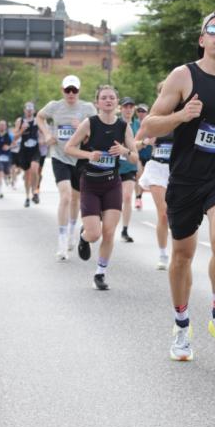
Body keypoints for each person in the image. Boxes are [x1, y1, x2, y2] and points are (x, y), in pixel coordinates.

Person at [139, 9, 215, 361]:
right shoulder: (183, 76)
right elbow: (149, 125)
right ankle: (181, 326)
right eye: (213, 29)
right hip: (186, 178)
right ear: (202, 39)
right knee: (182, 256)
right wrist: (181, 116)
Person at [65, 85, 138, 290]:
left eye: (112, 98)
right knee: (94, 234)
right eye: (104, 98)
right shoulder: (89, 123)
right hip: (90, 183)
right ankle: (84, 237)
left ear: (117, 103)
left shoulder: (124, 127)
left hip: (112, 183)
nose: (108, 100)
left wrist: (124, 151)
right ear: (97, 103)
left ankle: (100, 273)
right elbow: (69, 148)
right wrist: (89, 155)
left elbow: (134, 158)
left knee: (108, 232)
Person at [36, 75, 97, 261]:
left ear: (79, 91)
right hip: (59, 156)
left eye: (74, 90)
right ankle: (61, 242)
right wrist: (47, 134)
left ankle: (71, 231)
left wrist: (83, 128)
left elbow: (97, 131)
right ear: (62, 90)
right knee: (66, 196)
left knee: (76, 199)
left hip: (78, 158)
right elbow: (40, 117)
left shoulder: (87, 108)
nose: (71, 93)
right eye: (67, 90)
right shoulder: (54, 106)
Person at [136, 82, 173, 270]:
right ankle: (163, 254)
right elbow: (133, 144)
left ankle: (181, 252)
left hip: (179, 170)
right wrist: (146, 142)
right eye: (162, 93)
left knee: (180, 216)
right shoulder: (152, 119)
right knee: (164, 213)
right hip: (157, 168)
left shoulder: (183, 116)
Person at [118, 98, 138, 241]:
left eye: (131, 107)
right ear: (121, 108)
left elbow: (139, 146)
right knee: (112, 199)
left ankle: (125, 230)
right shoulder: (115, 123)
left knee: (127, 197)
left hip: (130, 166)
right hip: (114, 165)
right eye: (126, 107)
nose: (128, 109)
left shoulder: (138, 125)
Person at [13, 102, 41, 207]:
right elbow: (15, 137)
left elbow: (44, 131)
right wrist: (21, 130)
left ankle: (35, 192)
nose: (29, 111)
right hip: (24, 151)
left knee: (34, 169)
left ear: (34, 111)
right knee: (27, 175)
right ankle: (27, 197)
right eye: (27, 110)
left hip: (35, 150)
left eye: (31, 110)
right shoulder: (19, 121)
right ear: (24, 110)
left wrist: (44, 139)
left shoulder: (38, 120)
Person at [134, 104, 151, 208]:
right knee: (138, 175)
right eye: (139, 111)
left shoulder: (151, 123)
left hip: (149, 154)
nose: (141, 113)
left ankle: (140, 196)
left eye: (143, 111)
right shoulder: (135, 124)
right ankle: (138, 198)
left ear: (147, 112)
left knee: (144, 176)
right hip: (138, 153)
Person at [0, 120, 12, 198]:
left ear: (5, 126)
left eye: (3, 125)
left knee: (7, 173)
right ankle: (0, 191)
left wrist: (9, 147)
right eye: (0, 125)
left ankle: (7, 178)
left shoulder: (9, 135)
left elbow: (14, 144)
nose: (2, 126)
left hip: (7, 158)